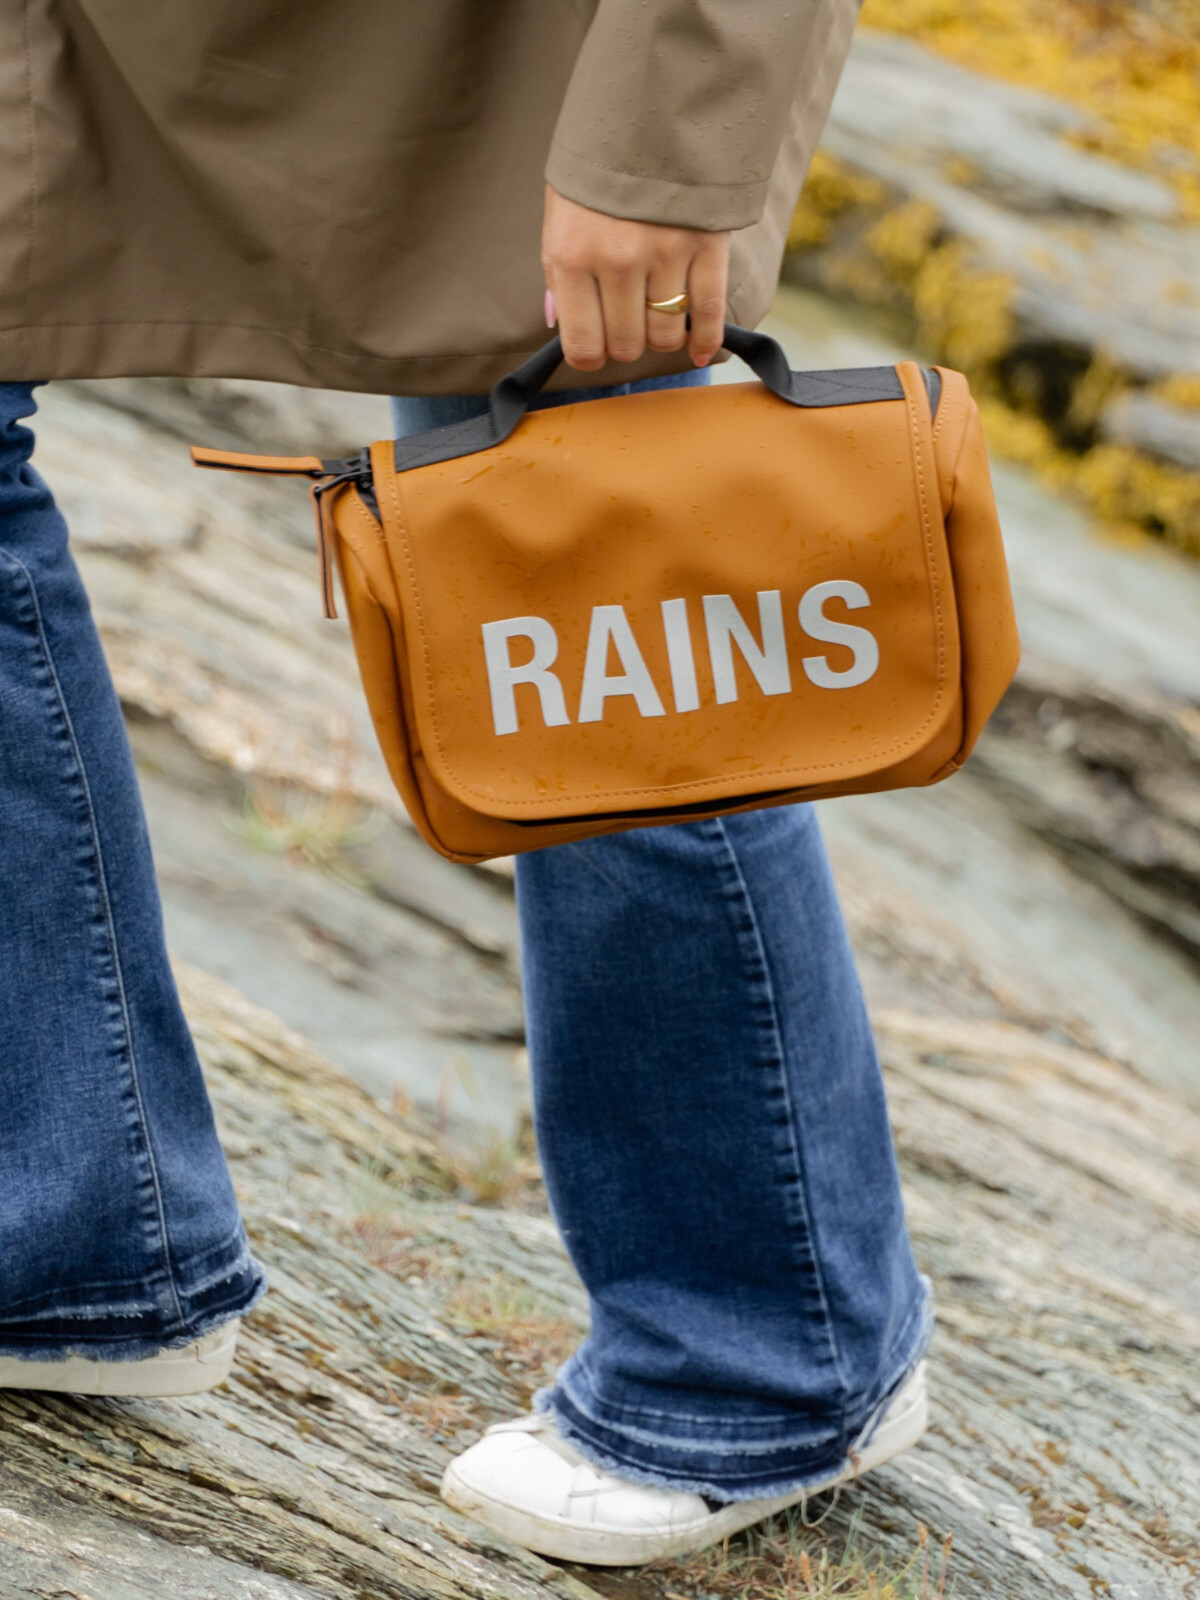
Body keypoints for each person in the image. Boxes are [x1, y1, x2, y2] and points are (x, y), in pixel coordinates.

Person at [0, 1, 931, 1567]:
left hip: (487, 51)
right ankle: (68, 1230)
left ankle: (764, 1360)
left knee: (584, 533)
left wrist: (668, 137)